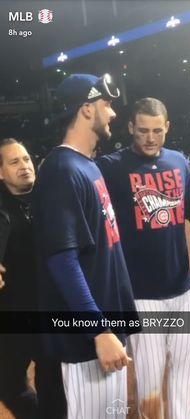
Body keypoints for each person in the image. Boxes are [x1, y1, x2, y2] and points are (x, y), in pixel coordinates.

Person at [97, 97, 190, 419]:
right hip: (141, 295)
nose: (150, 137)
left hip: (183, 289)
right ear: (130, 127)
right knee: (149, 381)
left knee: (184, 374)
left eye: (157, 130)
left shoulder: (178, 161)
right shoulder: (111, 167)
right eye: (143, 130)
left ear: (167, 128)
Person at [32, 73, 139, 419]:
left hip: (102, 335)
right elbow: (63, 261)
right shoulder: (62, 169)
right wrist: (100, 329)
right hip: (86, 344)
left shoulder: (85, 165)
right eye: (106, 105)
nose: (113, 114)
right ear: (86, 109)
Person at [0, 138, 67, 419]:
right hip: (13, 314)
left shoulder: (49, 198)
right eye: (14, 162)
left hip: (50, 307)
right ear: (1, 172)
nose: (24, 166)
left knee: (53, 380)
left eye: (26, 159)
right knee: (8, 382)